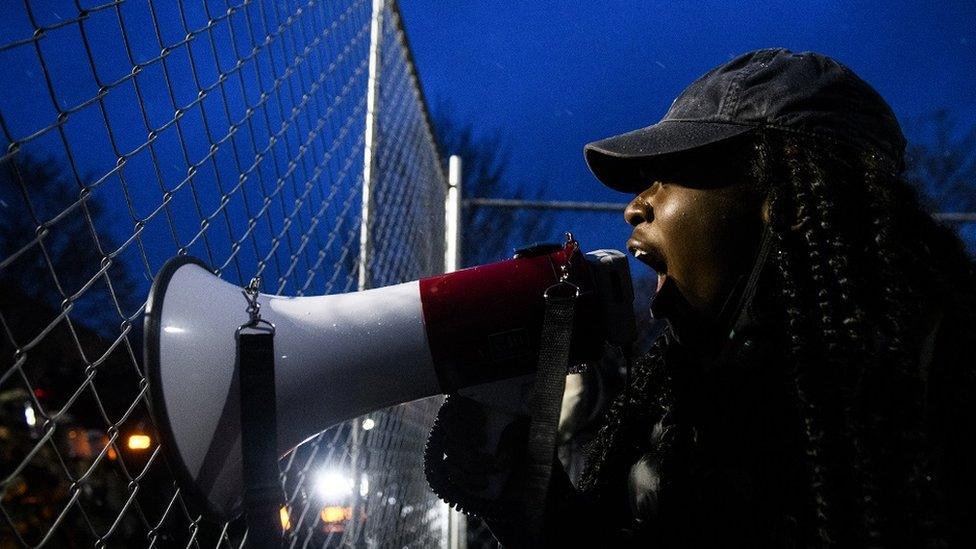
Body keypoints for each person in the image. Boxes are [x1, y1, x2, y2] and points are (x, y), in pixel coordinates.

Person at [429, 48, 976, 547]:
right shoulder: (681, 392)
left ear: (785, 202)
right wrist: (523, 491)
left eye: (666, 175)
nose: (633, 208)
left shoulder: (936, 370)